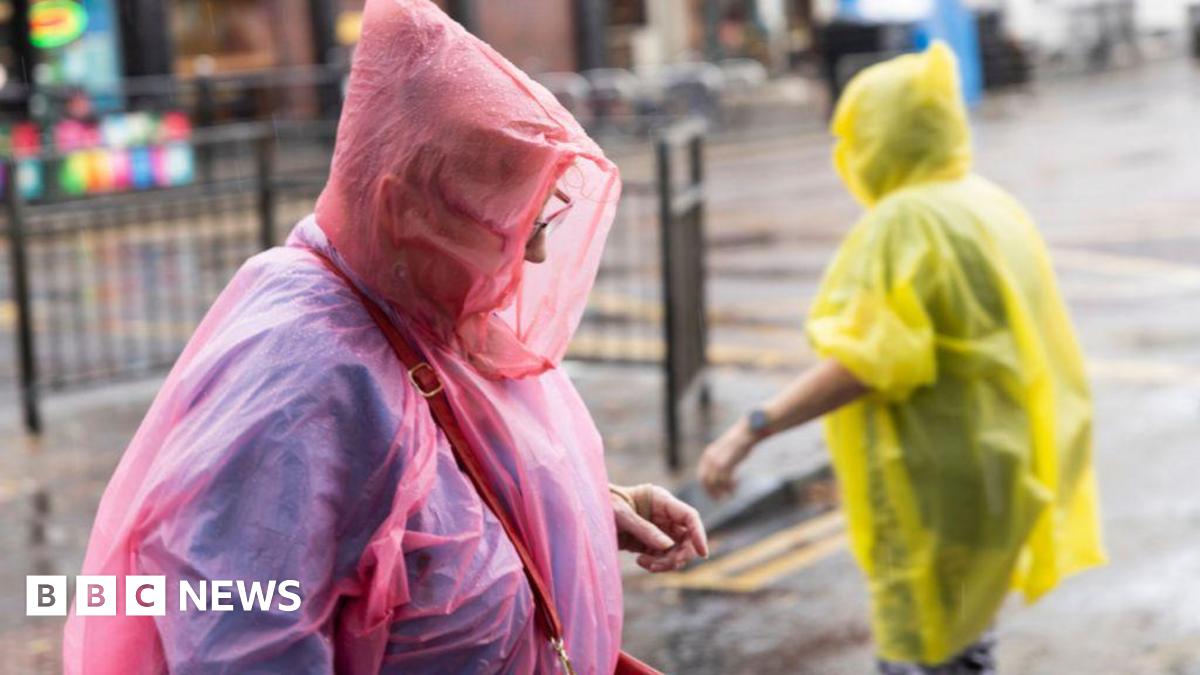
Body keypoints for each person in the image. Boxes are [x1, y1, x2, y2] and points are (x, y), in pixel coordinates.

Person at [63, 1, 707, 673]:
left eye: (544, 217)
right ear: (408, 209)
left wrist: (589, 504)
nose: (537, 254)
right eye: (516, 223)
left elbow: (431, 492)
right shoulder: (297, 374)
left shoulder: (420, 305)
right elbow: (240, 634)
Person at [698, 42, 1105, 674]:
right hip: (999, 469)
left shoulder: (905, 222)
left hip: (933, 489)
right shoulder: (986, 203)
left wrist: (751, 429)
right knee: (969, 642)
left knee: (927, 651)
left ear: (883, 137)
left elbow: (867, 360)